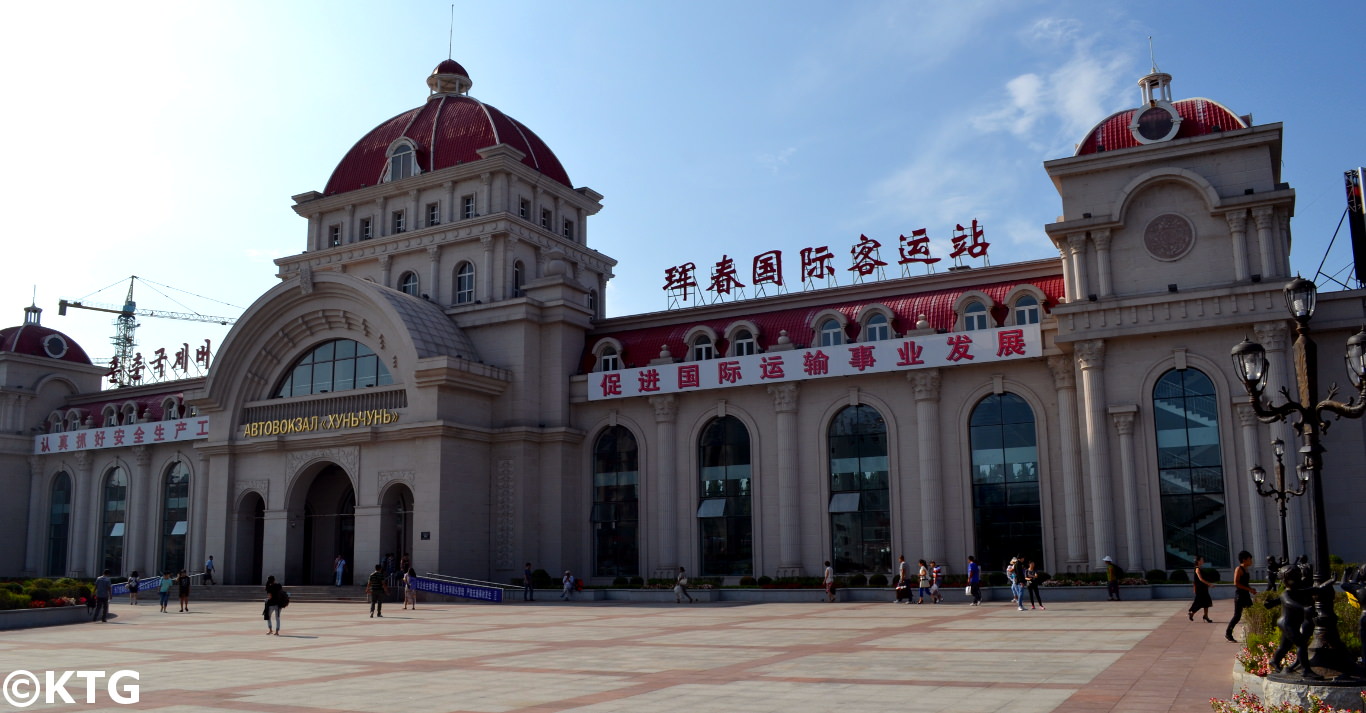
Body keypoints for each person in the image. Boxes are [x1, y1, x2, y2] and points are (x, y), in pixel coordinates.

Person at [1226, 550, 1256, 643]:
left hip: (1246, 595)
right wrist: (1249, 589)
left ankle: (1253, 632)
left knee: (1252, 613)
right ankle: (1228, 633)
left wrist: (1251, 589)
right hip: (1240, 596)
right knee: (1237, 616)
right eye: (1250, 559)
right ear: (1244, 559)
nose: (1251, 561)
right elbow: (1236, 583)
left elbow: (1245, 583)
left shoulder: (1246, 569)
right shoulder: (1238, 569)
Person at [1188, 555, 1214, 622]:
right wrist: (1209, 584)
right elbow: (1200, 579)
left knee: (1206, 602)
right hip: (1200, 589)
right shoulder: (1197, 569)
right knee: (1199, 602)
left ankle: (1205, 616)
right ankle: (1192, 613)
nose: (1203, 561)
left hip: (1203, 588)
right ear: (1198, 561)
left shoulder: (1200, 568)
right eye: (1202, 560)